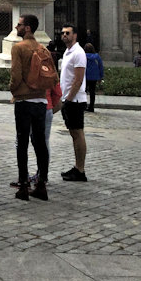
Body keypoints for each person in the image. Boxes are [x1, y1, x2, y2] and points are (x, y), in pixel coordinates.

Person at [9, 14, 50, 201]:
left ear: (27, 28)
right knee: (40, 143)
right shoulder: (42, 48)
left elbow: (15, 76)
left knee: (22, 142)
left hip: (24, 101)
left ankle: (24, 186)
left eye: (19, 25)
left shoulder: (18, 48)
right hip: (41, 100)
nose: (16, 27)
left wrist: (13, 90)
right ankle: (41, 184)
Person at [59, 23, 89, 182]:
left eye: (68, 33)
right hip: (69, 99)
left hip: (75, 100)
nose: (64, 35)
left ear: (75, 35)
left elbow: (78, 80)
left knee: (78, 134)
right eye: (63, 33)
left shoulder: (78, 53)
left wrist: (69, 99)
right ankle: (78, 167)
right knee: (74, 134)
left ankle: (80, 169)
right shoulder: (68, 52)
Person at [84, 43, 104, 113]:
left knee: (84, 92)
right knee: (92, 92)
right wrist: (101, 77)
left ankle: (84, 105)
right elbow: (100, 67)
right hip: (94, 77)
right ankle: (91, 107)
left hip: (85, 76)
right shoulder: (97, 57)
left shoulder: (83, 56)